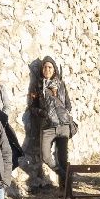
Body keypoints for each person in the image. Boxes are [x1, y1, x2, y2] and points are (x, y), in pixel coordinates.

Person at [25, 57, 75, 191]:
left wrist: (64, 111)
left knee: (62, 157)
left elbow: (68, 103)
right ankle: (64, 175)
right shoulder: (38, 85)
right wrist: (44, 113)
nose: (47, 70)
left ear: (54, 70)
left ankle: (65, 189)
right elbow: (32, 107)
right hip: (47, 126)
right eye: (44, 67)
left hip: (63, 125)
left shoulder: (60, 84)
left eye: (50, 67)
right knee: (46, 156)